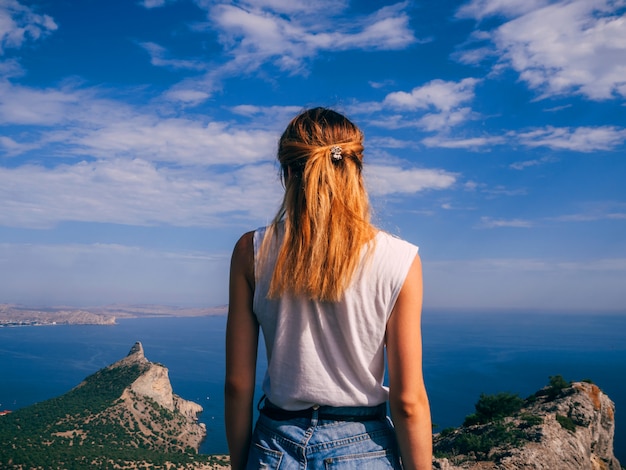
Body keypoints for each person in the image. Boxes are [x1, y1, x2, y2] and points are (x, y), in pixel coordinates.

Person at [225, 107, 432, 469]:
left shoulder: (251, 251)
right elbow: (409, 402)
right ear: (357, 170)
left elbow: (237, 385)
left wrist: (242, 464)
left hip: (275, 447)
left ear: (288, 172)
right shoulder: (401, 259)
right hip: (364, 450)